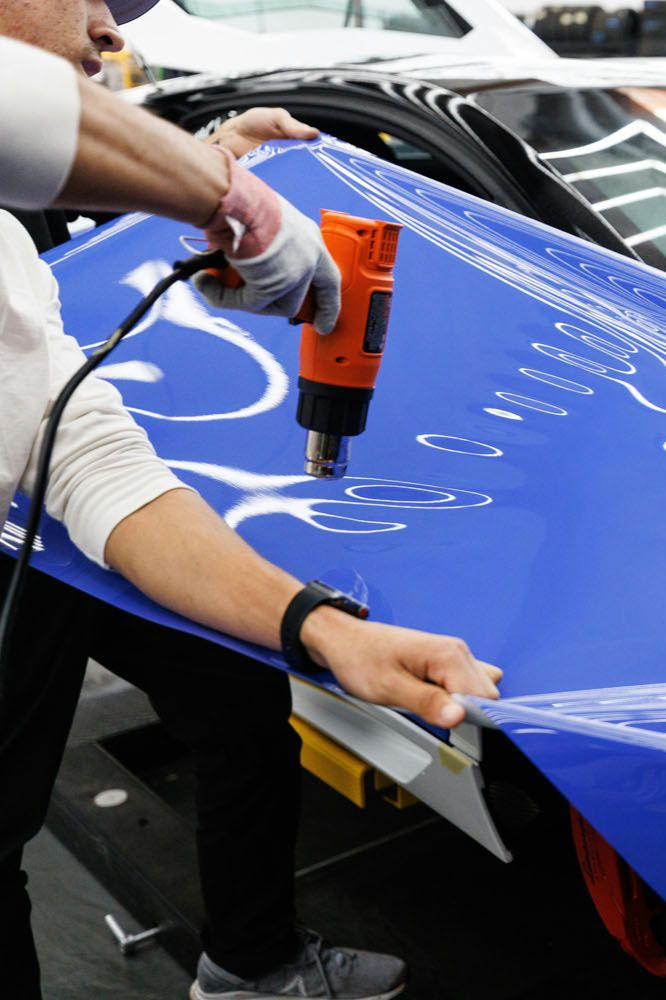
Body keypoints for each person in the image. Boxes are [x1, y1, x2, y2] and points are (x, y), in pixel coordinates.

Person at [0, 4, 503, 1000]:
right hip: (23, 536)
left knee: (231, 700)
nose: (107, 26)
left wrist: (314, 626)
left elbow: (71, 437)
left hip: (66, 508)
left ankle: (252, 963)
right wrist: (230, 199)